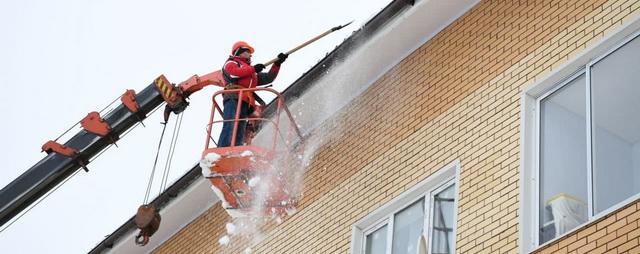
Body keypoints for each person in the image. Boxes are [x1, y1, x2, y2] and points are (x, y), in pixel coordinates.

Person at [217, 41, 287, 147]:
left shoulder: (251, 74)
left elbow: (268, 78)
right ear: (239, 52)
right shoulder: (232, 63)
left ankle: (236, 149)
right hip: (233, 97)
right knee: (231, 122)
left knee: (240, 126)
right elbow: (233, 74)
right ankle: (222, 148)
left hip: (245, 101)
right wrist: (253, 69)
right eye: (247, 51)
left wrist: (277, 64)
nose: (250, 54)